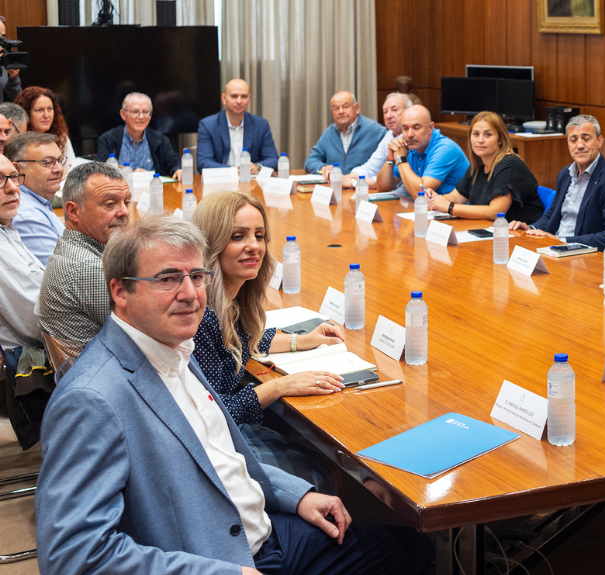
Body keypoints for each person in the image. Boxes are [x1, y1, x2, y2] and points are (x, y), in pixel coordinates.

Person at [36, 216, 432, 575]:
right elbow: (73, 554)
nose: (190, 294)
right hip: (218, 559)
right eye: (168, 278)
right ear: (120, 291)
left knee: (408, 545)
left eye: (196, 276)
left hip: (259, 534)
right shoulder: (92, 398)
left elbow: (220, 458)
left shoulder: (172, 347)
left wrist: (296, 497)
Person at [191, 191, 347, 492]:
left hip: (229, 432)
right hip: (215, 447)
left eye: (259, 236)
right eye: (238, 236)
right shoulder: (200, 316)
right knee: (322, 475)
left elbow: (242, 337)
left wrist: (301, 341)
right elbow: (215, 417)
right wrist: (280, 386)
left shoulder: (228, 299)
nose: (253, 246)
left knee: (320, 462)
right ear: (211, 244)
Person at [36, 162, 130, 359]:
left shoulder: (76, 247)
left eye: (126, 202)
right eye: (110, 204)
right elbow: (152, 332)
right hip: (113, 383)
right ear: (73, 211)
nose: (124, 212)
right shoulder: (88, 269)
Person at [508, 114, 605, 250]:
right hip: (554, 248)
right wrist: (530, 228)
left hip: (584, 255)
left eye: (586, 139)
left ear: (599, 141)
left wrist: (563, 241)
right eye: (573, 140)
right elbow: (552, 214)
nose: (579, 145)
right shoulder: (565, 174)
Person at [425, 111, 544, 224]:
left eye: (488, 135)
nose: (480, 140)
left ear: (500, 140)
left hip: (523, 235)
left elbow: (496, 212)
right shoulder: (477, 166)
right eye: (476, 134)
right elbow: (456, 197)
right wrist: (436, 199)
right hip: (490, 231)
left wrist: (450, 207)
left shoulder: (510, 164)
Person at [0, 153, 44, 355]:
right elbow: (38, 322)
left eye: (14, 176)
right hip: (25, 364)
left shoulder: (7, 227)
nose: (12, 187)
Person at [376, 104, 469, 197]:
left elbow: (420, 194)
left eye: (416, 128)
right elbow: (382, 188)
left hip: (455, 209)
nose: (409, 134)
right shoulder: (407, 147)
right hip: (429, 209)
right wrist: (390, 159)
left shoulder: (445, 148)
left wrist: (401, 160)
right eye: (405, 128)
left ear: (430, 128)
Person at [7, 131, 66, 265]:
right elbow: (59, 271)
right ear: (17, 170)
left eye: (59, 160)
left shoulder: (39, 199)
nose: (58, 169)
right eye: (47, 162)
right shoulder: (27, 215)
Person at [197, 79, 279, 173]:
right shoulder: (208, 125)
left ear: (249, 98)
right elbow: (203, 162)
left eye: (244, 96)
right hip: (222, 182)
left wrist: (258, 167)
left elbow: (273, 159)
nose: (239, 101)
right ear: (224, 98)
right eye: (234, 96)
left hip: (252, 182)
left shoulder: (261, 124)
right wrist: (233, 171)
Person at [96, 92, 183, 180]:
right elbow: (99, 172)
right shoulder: (108, 139)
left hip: (153, 190)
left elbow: (174, 161)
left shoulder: (160, 139)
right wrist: (130, 175)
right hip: (120, 190)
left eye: (145, 112)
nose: (141, 117)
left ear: (150, 115)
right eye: (135, 111)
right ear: (123, 114)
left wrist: (178, 169)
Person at [304, 91, 387, 178]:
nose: (341, 111)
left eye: (345, 107)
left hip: (363, 187)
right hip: (335, 187)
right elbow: (310, 161)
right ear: (332, 112)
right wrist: (322, 167)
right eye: (336, 108)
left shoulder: (374, 130)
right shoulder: (328, 133)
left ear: (356, 108)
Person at [343, 92, 411, 194]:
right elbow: (372, 166)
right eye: (385, 112)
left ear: (408, 112)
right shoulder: (390, 135)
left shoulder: (411, 139)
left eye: (394, 110)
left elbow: (392, 180)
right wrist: (349, 177)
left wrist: (353, 183)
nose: (388, 115)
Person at [14, 86, 75, 168]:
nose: (47, 115)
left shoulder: (61, 136)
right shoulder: (15, 141)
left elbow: (71, 167)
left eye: (50, 109)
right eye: (39, 110)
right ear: (26, 113)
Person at [0, 16, 22, 102]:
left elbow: (16, 100)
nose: (2, 41)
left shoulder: (3, 57)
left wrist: (13, 78)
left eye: (3, 37)